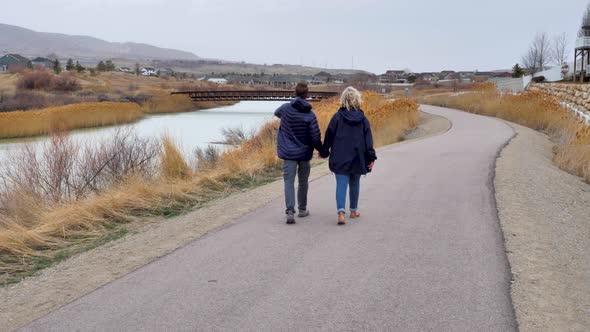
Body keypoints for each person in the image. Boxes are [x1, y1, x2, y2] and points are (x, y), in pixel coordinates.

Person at [321, 87, 377, 225]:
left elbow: (329, 136)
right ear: (357, 99)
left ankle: (341, 213)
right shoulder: (363, 119)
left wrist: (324, 152)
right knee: (354, 183)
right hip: (358, 157)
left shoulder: (337, 117)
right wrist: (371, 158)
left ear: (343, 99)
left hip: (339, 157)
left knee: (341, 184)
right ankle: (353, 211)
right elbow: (368, 141)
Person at [274, 82, 323, 224]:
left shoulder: (285, 108)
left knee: (289, 181)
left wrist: (287, 120)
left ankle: (290, 211)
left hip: (288, 153)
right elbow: (315, 136)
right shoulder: (310, 115)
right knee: (303, 181)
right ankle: (302, 210)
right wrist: (321, 150)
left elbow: (276, 113)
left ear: (295, 93)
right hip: (304, 152)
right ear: (307, 95)